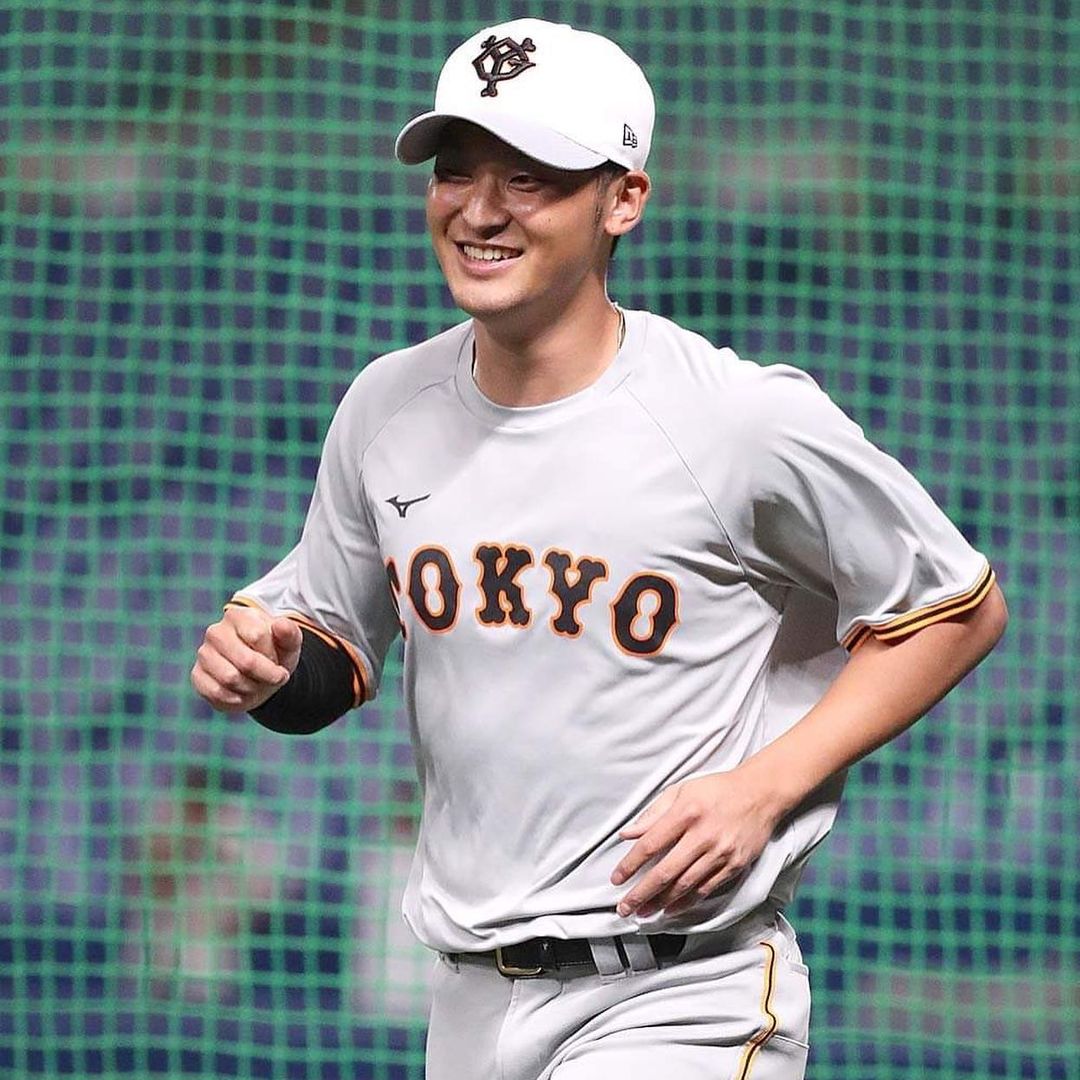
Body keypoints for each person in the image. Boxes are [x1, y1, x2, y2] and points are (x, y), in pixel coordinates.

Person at [191, 18, 1007, 1080]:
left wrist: (764, 786)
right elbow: (333, 650)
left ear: (623, 199)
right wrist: (268, 666)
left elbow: (953, 609)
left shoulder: (734, 419)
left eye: (528, 179)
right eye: (456, 171)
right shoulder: (387, 406)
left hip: (681, 994)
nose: (479, 210)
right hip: (467, 999)